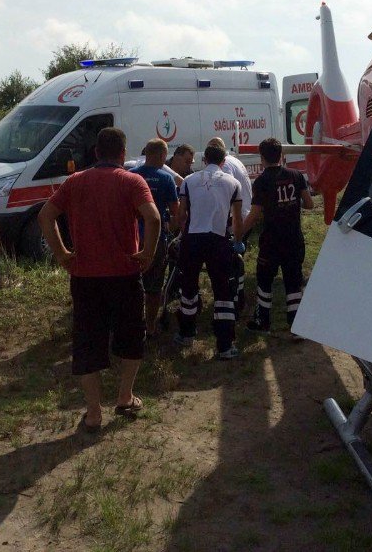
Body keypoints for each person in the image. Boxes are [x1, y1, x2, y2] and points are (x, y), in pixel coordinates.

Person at [38, 127, 161, 433]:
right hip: (125, 274)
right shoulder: (133, 181)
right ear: (123, 152)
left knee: (88, 341)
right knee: (132, 335)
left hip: (85, 276)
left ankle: (93, 413)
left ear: (95, 153)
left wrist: (63, 254)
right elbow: (154, 217)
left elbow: (45, 216)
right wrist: (147, 254)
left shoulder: (75, 181)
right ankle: (125, 395)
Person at [237, 137, 313, 336]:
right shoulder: (296, 175)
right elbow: (310, 204)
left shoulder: (262, 181)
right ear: (282, 155)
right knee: (293, 282)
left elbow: (253, 215)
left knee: (264, 280)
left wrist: (238, 235)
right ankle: (296, 327)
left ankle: (263, 322)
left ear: (262, 157)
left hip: (271, 241)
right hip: (294, 239)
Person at [175, 143, 243, 359]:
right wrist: (238, 240)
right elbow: (238, 218)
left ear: (204, 160)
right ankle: (224, 345)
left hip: (192, 239)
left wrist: (180, 235)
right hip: (218, 240)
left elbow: (181, 215)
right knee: (223, 292)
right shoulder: (233, 183)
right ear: (224, 161)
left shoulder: (188, 180)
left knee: (188, 287)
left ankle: (186, 333)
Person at [131, 139, 180, 338]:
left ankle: (131, 323)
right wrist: (171, 229)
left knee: (131, 283)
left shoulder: (131, 176)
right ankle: (150, 327)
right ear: (161, 155)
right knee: (154, 286)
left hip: (132, 238)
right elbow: (176, 212)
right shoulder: (166, 179)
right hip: (156, 238)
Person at [207, 137, 252, 311]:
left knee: (231, 263)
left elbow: (227, 195)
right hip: (243, 215)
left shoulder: (224, 167)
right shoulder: (234, 160)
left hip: (236, 220)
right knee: (237, 261)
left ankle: (235, 298)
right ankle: (238, 294)